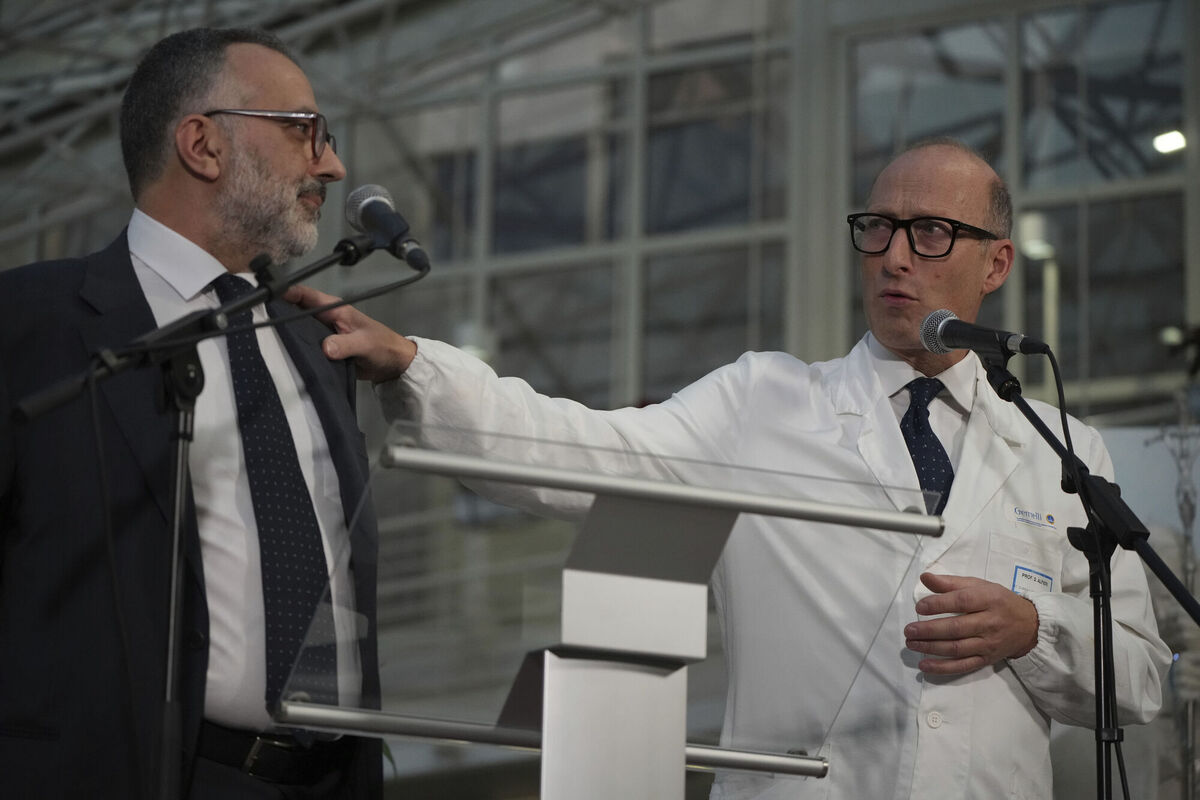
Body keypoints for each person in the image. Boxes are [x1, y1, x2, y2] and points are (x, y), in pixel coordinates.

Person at [287, 139, 1172, 798]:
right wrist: (417, 365)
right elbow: (586, 454)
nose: (896, 256)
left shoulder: (1063, 449)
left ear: (997, 264)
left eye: (933, 233)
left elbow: (1140, 677)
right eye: (880, 228)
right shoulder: (765, 402)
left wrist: (1036, 628)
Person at [0, 28, 381, 799]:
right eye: (305, 131)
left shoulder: (315, 338)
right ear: (203, 144)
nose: (332, 166)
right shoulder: (30, 321)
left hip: (329, 778)